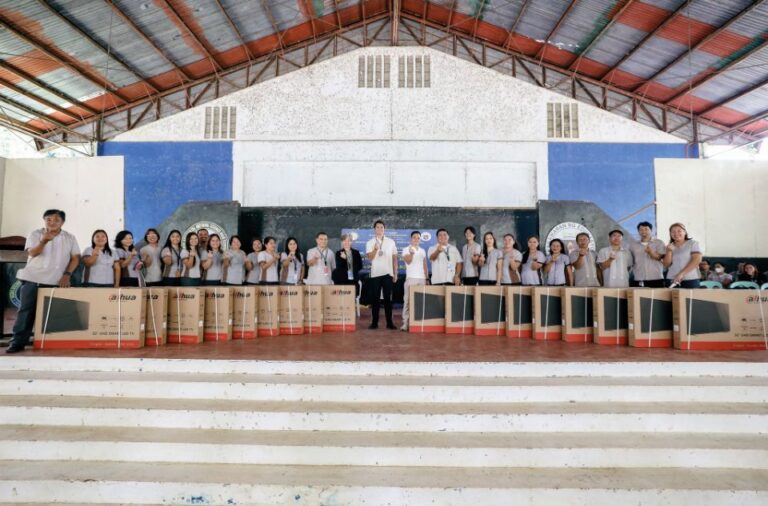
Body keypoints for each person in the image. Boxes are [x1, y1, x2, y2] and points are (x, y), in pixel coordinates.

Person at [7, 209, 80, 354]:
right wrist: (44, 241)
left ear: (62, 222)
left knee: (52, 314)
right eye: (49, 219)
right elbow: (32, 253)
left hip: (56, 280)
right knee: (26, 311)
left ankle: (49, 342)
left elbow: (75, 258)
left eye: (56, 220)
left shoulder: (70, 237)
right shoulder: (35, 234)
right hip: (32, 278)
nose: (52, 222)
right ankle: (17, 342)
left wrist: (67, 275)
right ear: (44, 220)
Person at [365, 221, 398, 329]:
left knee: (388, 299)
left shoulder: (391, 242)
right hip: (375, 274)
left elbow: (394, 259)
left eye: (382, 227)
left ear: (384, 229)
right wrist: (375, 249)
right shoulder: (370, 242)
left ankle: (390, 323)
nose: (379, 229)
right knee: (375, 299)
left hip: (388, 273)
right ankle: (374, 323)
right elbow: (370, 258)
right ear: (374, 229)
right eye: (377, 227)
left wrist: (395, 273)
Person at [400, 230, 428, 331]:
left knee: (420, 301)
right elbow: (408, 261)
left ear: (420, 240)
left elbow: (425, 265)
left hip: (422, 279)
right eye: (414, 237)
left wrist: (427, 278)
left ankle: (418, 323)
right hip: (411, 278)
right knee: (407, 301)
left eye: (418, 238)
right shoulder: (405, 249)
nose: (416, 239)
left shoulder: (422, 251)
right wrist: (411, 254)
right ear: (411, 239)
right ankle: (405, 324)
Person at [662, 223, 702, 289]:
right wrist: (669, 251)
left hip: (690, 279)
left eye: (679, 231)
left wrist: (681, 274)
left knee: (690, 299)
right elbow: (666, 264)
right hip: (672, 279)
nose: (676, 233)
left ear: (685, 232)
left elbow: (696, 260)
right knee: (672, 299)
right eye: (673, 232)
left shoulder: (693, 243)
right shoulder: (669, 246)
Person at [629, 221, 666, 288]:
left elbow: (660, 258)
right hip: (639, 278)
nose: (643, 231)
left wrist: (651, 252)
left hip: (656, 278)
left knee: (657, 298)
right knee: (639, 298)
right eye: (641, 229)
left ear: (651, 230)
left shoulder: (659, 243)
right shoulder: (633, 245)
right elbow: (631, 261)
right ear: (638, 231)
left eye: (646, 229)